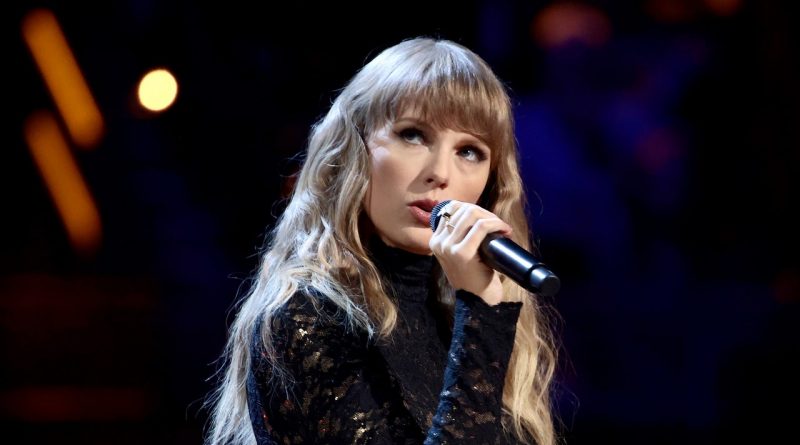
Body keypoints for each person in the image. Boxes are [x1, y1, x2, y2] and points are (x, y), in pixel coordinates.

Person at [205, 36, 560, 445]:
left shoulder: (458, 316)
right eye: (413, 135)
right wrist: (482, 318)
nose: (440, 172)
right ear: (353, 150)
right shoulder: (307, 316)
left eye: (469, 151)